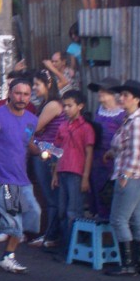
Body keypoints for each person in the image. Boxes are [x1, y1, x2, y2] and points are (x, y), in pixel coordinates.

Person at [0, 77, 38, 273]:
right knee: (14, 221)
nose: (22, 98)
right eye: (18, 93)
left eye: (26, 94)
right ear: (9, 94)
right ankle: (1, 254)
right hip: (1, 177)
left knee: (33, 214)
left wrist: (45, 151)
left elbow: (27, 143)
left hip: (22, 178)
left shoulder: (31, 119)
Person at [104, 79, 140, 277]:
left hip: (132, 175)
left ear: (137, 100)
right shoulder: (130, 121)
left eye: (126, 95)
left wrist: (125, 175)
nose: (122, 98)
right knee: (137, 218)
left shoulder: (138, 123)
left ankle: (128, 264)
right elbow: (126, 148)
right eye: (122, 94)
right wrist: (111, 153)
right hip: (138, 175)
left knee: (118, 219)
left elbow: (137, 153)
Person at [50, 89, 95, 255]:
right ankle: (66, 244)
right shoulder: (62, 126)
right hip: (62, 171)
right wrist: (55, 174)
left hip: (76, 173)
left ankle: (72, 247)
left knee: (73, 211)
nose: (66, 109)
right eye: (65, 106)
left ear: (80, 106)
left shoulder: (86, 128)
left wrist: (85, 177)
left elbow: (89, 153)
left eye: (70, 105)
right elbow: (57, 151)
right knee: (62, 210)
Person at [28, 69, 65, 248]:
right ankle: (49, 234)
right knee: (47, 196)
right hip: (44, 153)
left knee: (50, 197)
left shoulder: (52, 105)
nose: (34, 88)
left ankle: (51, 236)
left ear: (48, 84)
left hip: (47, 155)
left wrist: (33, 132)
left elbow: (34, 127)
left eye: (37, 84)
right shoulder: (45, 104)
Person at [87, 76, 125, 219]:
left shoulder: (122, 115)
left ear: (113, 94)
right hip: (96, 160)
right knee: (96, 193)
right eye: (100, 90)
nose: (100, 93)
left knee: (109, 196)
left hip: (113, 161)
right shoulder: (99, 111)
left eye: (104, 91)